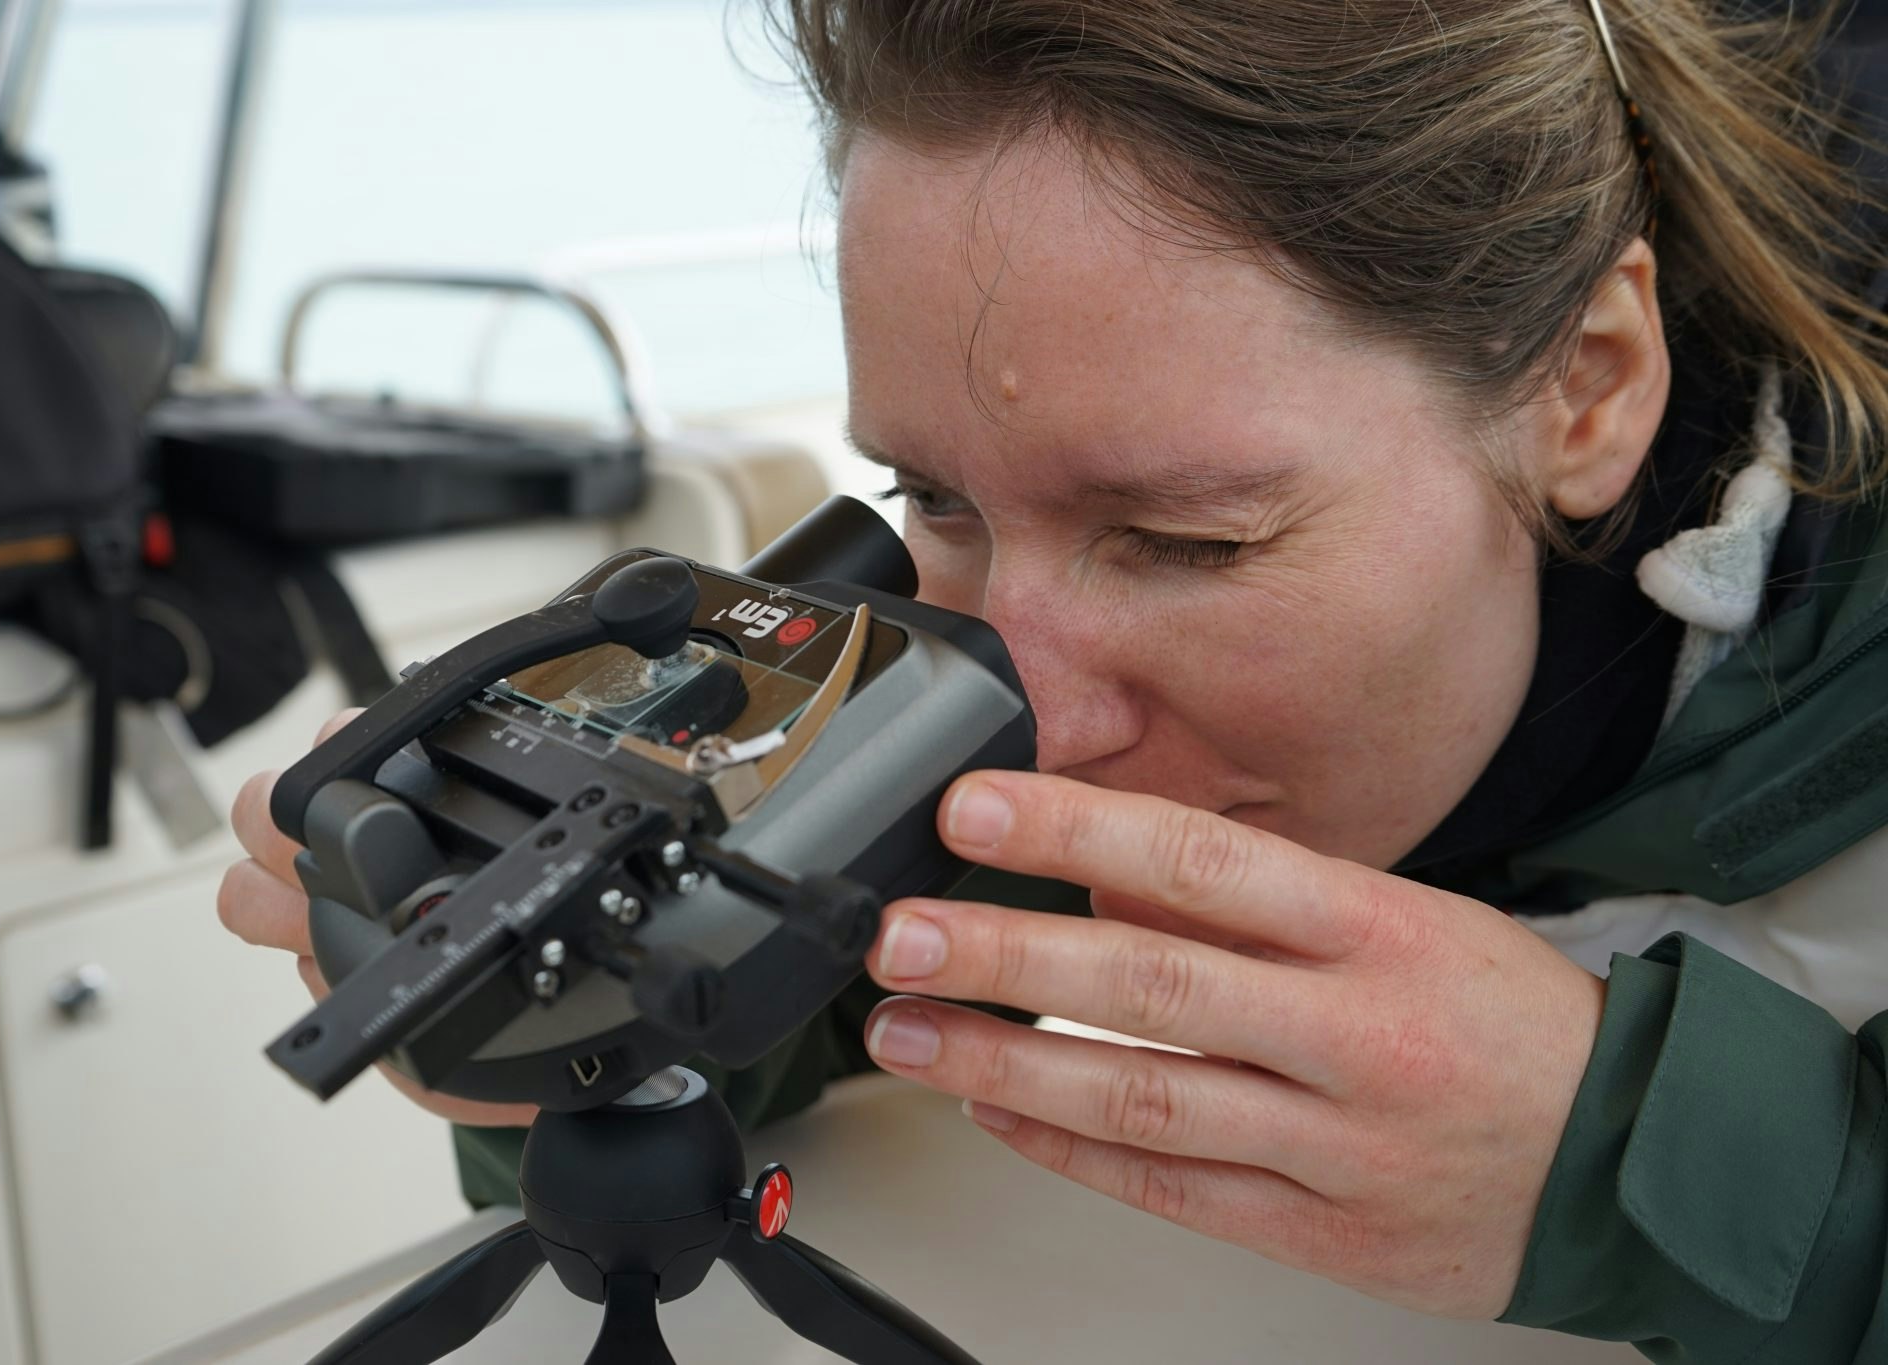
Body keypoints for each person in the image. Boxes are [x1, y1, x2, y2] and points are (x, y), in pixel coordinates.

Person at [219, 0, 1888, 1358]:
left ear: (1588, 387)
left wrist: (1671, 1167)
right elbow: (805, 1024)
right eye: (931, 497)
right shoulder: (998, 669)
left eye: (1187, 540)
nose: (1045, 721)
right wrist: (591, 1027)